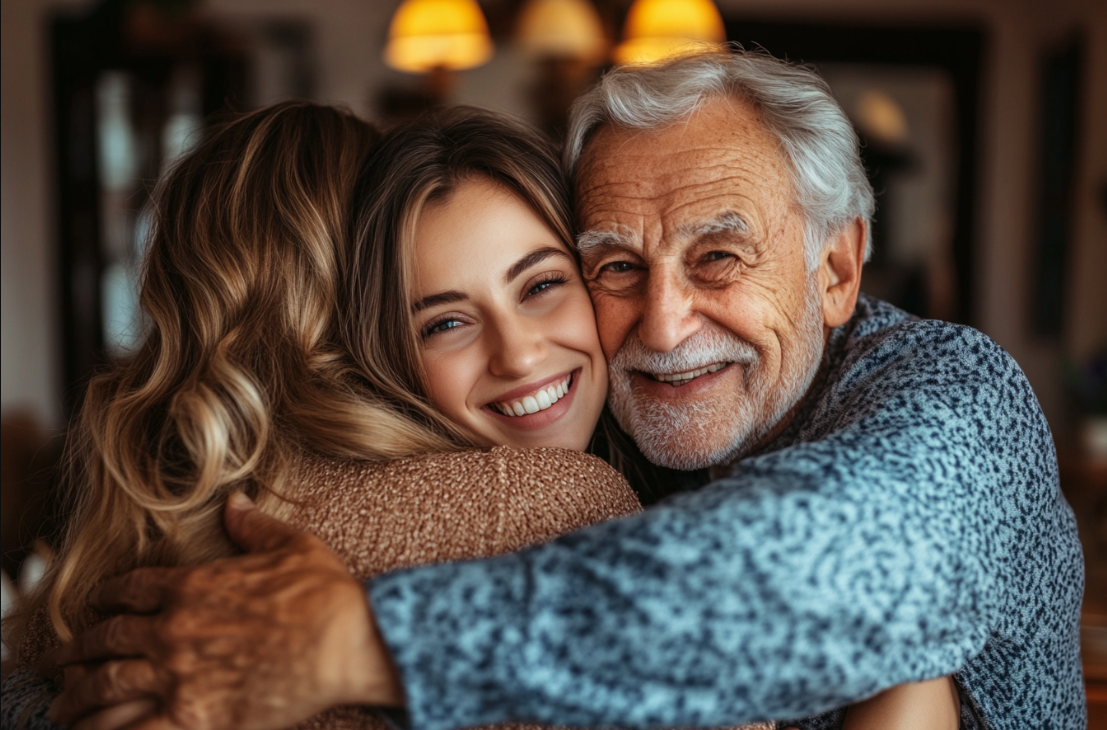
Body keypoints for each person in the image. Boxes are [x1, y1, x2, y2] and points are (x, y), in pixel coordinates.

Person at [48, 49, 1084, 730]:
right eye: (615, 266)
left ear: (839, 270)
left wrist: (361, 643)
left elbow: (824, 568)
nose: (665, 324)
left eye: (718, 255)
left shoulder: (959, 398)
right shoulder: (600, 455)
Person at [0, 103, 647, 730]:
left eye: (541, 284)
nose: (518, 353)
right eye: (442, 320)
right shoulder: (538, 499)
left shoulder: (127, 529)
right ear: (358, 316)